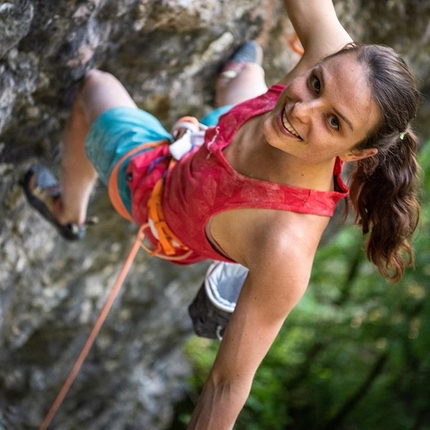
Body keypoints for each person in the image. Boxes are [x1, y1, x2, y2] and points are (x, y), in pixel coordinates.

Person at [22, 0, 421, 428]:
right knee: (248, 78)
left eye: (334, 123)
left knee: (95, 88)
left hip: (160, 194)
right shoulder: (335, 78)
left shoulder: (285, 244)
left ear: (357, 153)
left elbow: (225, 386)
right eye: (316, 81)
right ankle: (234, 83)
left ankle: (69, 212)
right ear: (325, 59)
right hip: (212, 141)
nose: (301, 110)